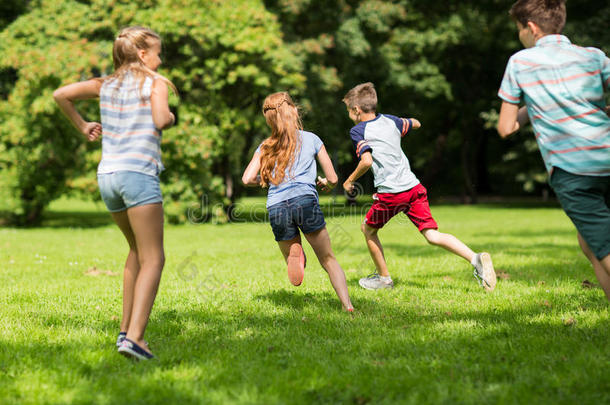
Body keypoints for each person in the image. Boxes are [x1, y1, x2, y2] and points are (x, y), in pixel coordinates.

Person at [53, 26, 176, 360]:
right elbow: (161, 119)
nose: (159, 59)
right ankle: (135, 339)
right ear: (141, 54)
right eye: (156, 52)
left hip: (108, 177)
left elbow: (61, 94)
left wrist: (82, 126)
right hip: (138, 175)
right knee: (155, 258)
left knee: (136, 251)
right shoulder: (155, 83)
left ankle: (125, 332)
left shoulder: (104, 84)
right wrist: (170, 115)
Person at [497, 0, 610, 300]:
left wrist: (530, 107)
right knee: (589, 243)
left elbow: (506, 127)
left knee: (606, 246)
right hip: (606, 154)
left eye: (519, 28)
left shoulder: (521, 62)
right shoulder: (593, 56)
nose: (519, 34)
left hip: (574, 169)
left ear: (531, 28)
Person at [342, 82, 497, 291]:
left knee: (368, 230)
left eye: (349, 112)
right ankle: (475, 258)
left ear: (356, 110)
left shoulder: (358, 130)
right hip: (414, 189)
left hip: (392, 193)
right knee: (433, 236)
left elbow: (366, 161)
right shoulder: (392, 121)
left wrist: (349, 180)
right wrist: (405, 124)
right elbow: (416, 123)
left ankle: (384, 279)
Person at [242, 92, 354, 312]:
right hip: (305, 201)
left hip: (276, 206)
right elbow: (332, 178)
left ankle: (297, 255)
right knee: (328, 258)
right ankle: (347, 305)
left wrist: (266, 179)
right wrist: (326, 184)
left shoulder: (266, 145)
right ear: (293, 111)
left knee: (293, 256)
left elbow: (246, 178)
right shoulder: (311, 138)